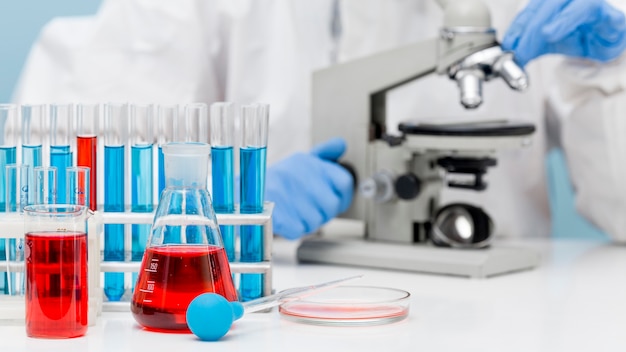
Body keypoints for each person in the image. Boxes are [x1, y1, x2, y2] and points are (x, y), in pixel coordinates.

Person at [13, 0, 626, 241]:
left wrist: (610, 66)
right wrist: (229, 204)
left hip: (503, 321)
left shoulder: (554, 8)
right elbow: (59, 180)